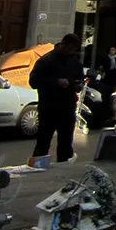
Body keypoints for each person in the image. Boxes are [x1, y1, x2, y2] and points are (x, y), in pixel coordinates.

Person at [30, 34, 85, 164]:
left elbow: (79, 79)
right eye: (70, 49)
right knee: (43, 143)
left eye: (74, 50)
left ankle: (63, 168)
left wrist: (78, 85)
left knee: (65, 144)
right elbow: (34, 81)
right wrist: (56, 82)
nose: (71, 52)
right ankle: (38, 167)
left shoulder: (74, 62)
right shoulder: (46, 60)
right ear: (63, 44)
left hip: (67, 108)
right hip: (49, 108)